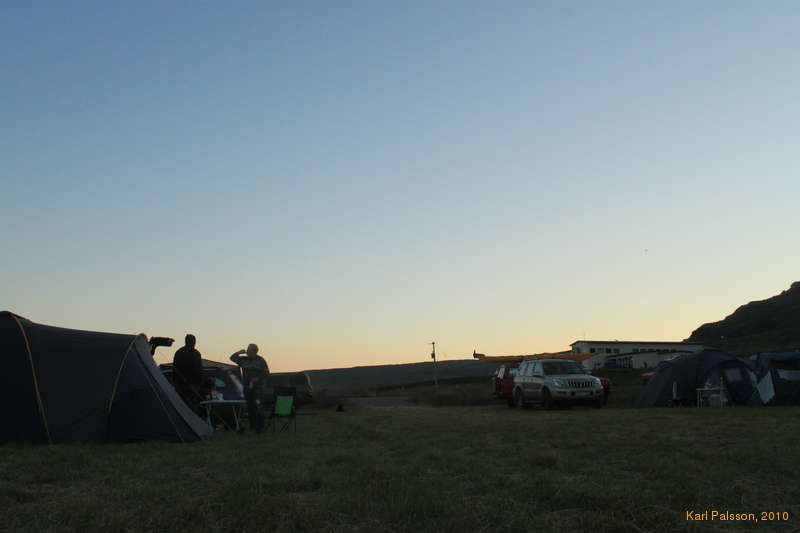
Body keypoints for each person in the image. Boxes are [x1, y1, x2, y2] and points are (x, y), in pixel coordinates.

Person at [230, 343, 271, 433]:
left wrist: (258, 378)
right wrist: (239, 352)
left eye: (248, 349)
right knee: (250, 407)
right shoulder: (244, 360)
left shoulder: (260, 360)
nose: (247, 350)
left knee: (258, 407)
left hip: (257, 388)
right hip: (247, 387)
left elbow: (266, 373)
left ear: (254, 351)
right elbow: (232, 358)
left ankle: (259, 427)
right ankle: (252, 426)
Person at [173, 334, 203, 415]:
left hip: (180, 385)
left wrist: (175, 382)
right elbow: (198, 370)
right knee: (192, 408)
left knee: (180, 406)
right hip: (192, 386)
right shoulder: (196, 353)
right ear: (193, 342)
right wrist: (199, 384)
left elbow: (174, 369)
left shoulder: (178, 352)